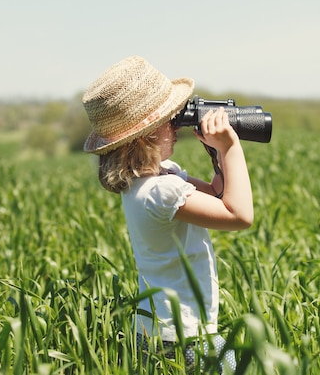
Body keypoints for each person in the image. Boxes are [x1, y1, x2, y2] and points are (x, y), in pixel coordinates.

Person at [82, 56, 253, 373]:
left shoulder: (155, 181)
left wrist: (215, 152)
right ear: (146, 135)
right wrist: (231, 147)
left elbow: (217, 193)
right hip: (181, 336)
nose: (177, 125)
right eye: (170, 119)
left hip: (156, 329)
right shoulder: (161, 192)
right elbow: (238, 214)